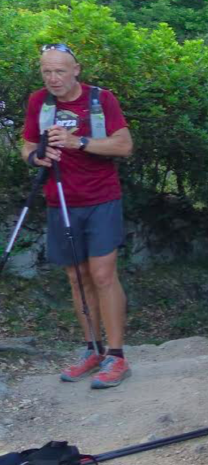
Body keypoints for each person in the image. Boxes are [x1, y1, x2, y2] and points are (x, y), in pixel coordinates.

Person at [21, 43, 134, 389]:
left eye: (59, 71)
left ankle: (116, 355)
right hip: (60, 201)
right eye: (46, 71)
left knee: (102, 274)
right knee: (77, 277)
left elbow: (124, 146)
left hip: (101, 198)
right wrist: (34, 157)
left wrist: (78, 142)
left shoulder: (101, 100)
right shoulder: (39, 102)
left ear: (76, 69)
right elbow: (26, 145)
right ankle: (92, 349)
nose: (53, 78)